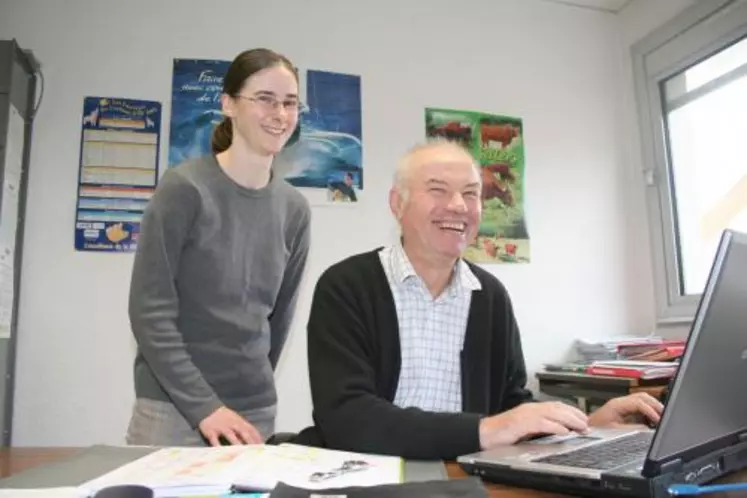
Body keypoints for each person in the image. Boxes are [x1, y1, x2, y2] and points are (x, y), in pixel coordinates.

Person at [297, 139, 663, 460]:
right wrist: (485, 431)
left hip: (464, 476)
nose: (458, 205)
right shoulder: (346, 286)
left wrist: (588, 425)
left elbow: (511, 406)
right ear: (398, 204)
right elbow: (347, 417)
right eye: (438, 190)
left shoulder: (489, 296)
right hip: (368, 475)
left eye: (471, 193)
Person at [126, 48, 311, 447]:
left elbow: (279, 320)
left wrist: (250, 392)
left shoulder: (294, 209)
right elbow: (149, 310)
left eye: (290, 103)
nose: (280, 113)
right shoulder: (184, 188)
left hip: (253, 413)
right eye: (264, 98)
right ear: (228, 104)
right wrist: (204, 406)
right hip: (172, 410)